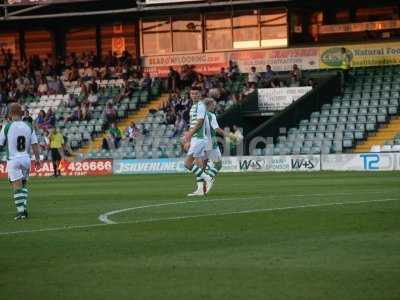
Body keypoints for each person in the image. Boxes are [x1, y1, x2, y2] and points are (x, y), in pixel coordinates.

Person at [0, 103, 41, 220]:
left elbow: (0, 144)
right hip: (26, 159)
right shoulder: (29, 126)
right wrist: (37, 159)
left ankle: (21, 212)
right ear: (21, 113)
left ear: (10, 113)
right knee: (22, 185)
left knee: (16, 186)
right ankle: (23, 208)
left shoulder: (7, 127)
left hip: (13, 159)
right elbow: (34, 144)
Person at [184, 86, 213, 197]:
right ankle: (200, 189)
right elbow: (193, 123)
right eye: (192, 93)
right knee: (197, 163)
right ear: (190, 95)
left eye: (196, 93)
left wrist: (189, 135)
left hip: (199, 138)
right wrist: (190, 136)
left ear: (200, 94)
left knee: (187, 164)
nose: (194, 95)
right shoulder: (194, 106)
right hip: (196, 138)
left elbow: (200, 123)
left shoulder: (200, 106)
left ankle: (208, 178)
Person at [204, 98, 225, 180]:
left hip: (200, 141)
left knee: (203, 164)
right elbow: (216, 129)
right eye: (213, 105)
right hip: (210, 141)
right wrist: (228, 135)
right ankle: (208, 178)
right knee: (218, 164)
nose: (214, 107)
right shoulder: (211, 115)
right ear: (209, 105)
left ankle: (201, 184)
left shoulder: (199, 115)